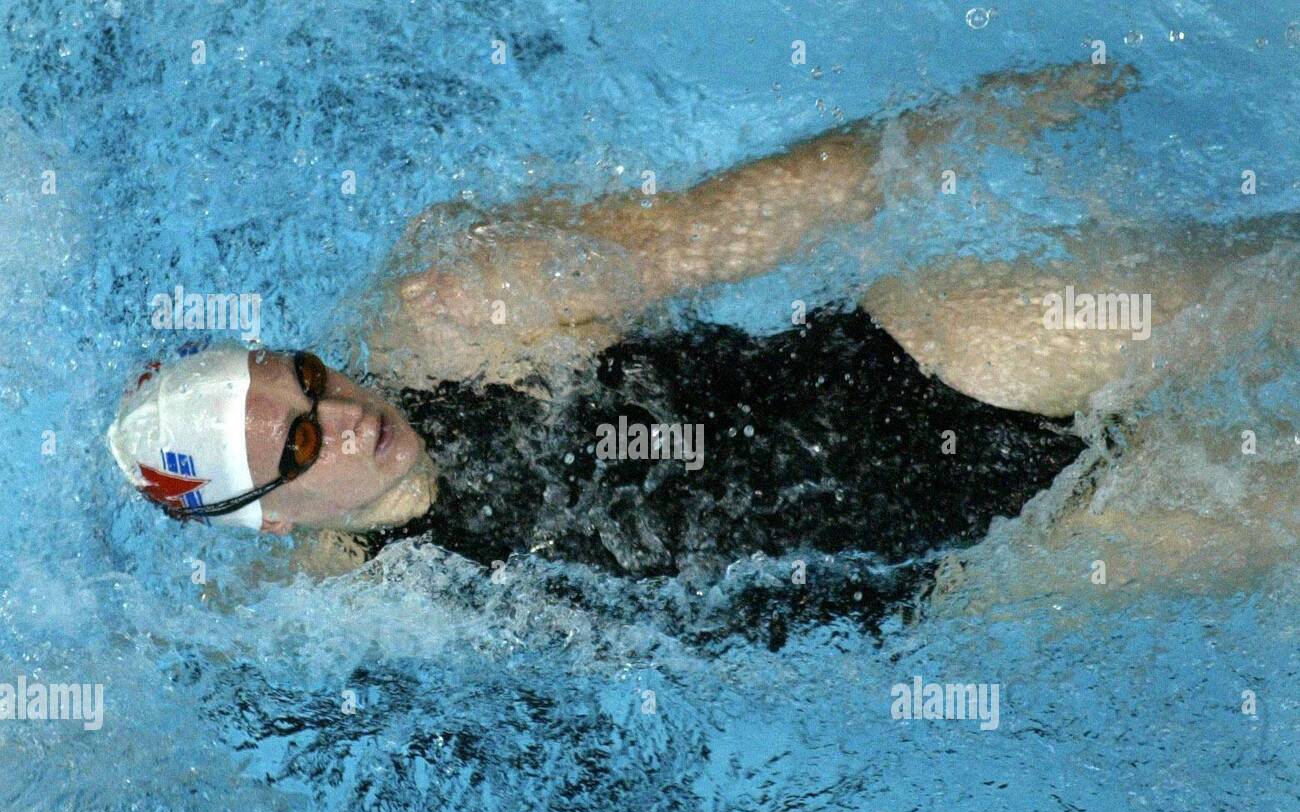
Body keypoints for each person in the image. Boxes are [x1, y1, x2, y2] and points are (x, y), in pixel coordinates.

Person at [110, 60, 1284, 585]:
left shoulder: (457, 310)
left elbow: (722, 226)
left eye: (311, 378)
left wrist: (971, 119)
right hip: (966, 564)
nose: (351, 417)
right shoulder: (344, 590)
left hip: (922, 365)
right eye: (302, 446)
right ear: (265, 522)